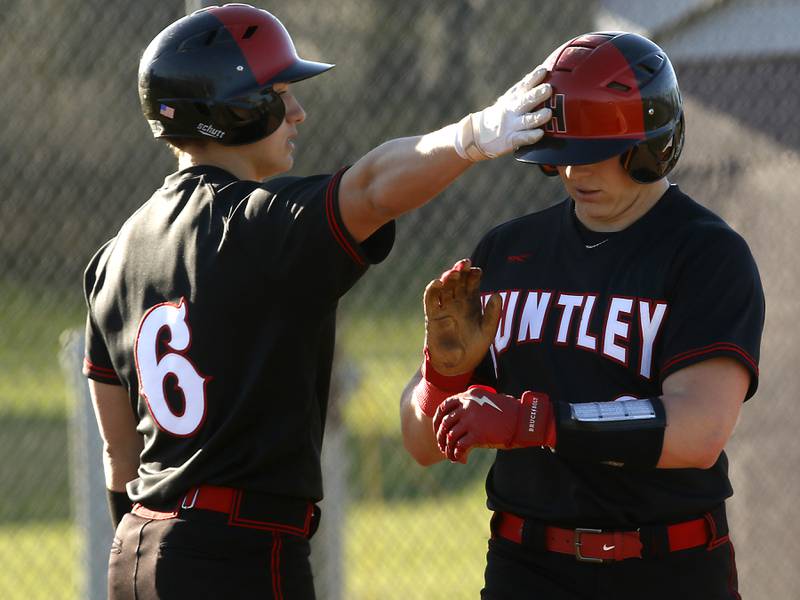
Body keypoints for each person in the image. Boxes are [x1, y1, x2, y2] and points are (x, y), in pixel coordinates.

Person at [81, 4, 554, 599]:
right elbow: (375, 186)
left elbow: (118, 455)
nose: (298, 112)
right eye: (279, 94)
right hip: (240, 553)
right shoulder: (256, 225)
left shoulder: (112, 257)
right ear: (232, 109)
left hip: (136, 550)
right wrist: (476, 135)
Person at [400, 31, 765, 600]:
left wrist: (534, 422)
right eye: (561, 155)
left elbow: (698, 429)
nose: (575, 174)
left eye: (595, 153)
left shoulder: (705, 253)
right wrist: (442, 377)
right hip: (528, 567)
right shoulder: (509, 250)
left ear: (651, 143)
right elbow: (421, 443)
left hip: (667, 566)